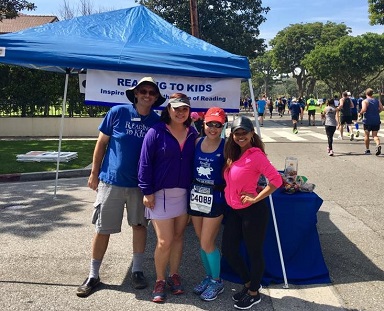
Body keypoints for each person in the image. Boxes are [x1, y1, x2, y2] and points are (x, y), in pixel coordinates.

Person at [76, 77, 165, 298]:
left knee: (139, 226)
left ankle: (137, 271)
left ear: (155, 98)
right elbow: (101, 143)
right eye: (142, 91)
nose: (146, 95)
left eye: (151, 92)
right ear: (135, 93)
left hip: (139, 186)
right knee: (102, 229)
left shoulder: (156, 122)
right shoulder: (117, 112)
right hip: (111, 182)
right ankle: (93, 274)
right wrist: (94, 173)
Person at [138, 93, 198, 303]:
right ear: (168, 110)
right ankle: (160, 279)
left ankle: (174, 275)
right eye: (176, 108)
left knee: (179, 238)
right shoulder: (156, 132)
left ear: (189, 111)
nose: (180, 112)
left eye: (184, 109)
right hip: (159, 195)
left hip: (184, 195)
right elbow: (144, 163)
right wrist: (147, 191)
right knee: (164, 241)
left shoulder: (193, 133)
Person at [221, 116, 282, 310]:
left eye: (244, 133)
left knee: (254, 252)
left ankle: (254, 292)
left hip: (253, 212)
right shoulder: (234, 153)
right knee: (229, 250)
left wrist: (256, 198)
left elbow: (276, 180)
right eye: (237, 133)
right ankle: (249, 284)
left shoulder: (256, 155)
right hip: (234, 210)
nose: (240, 136)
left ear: (251, 134)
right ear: (232, 134)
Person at [189, 107, 228, 302]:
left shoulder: (227, 146)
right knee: (201, 240)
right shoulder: (196, 142)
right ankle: (208, 276)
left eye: (217, 125)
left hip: (216, 198)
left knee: (207, 242)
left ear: (222, 126)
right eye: (209, 124)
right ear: (203, 124)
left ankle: (217, 281)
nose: (213, 128)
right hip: (196, 196)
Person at [359, 88, 383, 155]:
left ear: (366, 94)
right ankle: (378, 144)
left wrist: (360, 113)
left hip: (367, 120)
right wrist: (377, 111)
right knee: (375, 135)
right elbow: (381, 108)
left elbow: (364, 109)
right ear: (372, 94)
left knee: (367, 135)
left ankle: (367, 149)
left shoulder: (365, 101)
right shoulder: (377, 101)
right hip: (376, 120)